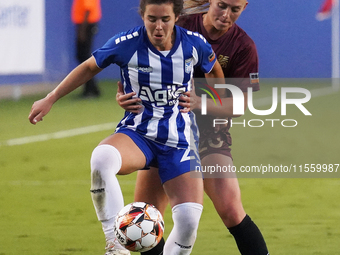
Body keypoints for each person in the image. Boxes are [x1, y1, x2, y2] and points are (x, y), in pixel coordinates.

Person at [28, 0, 225, 255]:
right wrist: (51, 97)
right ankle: (114, 244)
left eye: (165, 19)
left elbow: (216, 73)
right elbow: (89, 67)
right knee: (101, 158)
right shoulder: (127, 43)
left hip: (179, 141)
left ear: (176, 17)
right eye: (151, 19)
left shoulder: (194, 44)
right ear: (142, 16)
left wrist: (203, 100)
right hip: (138, 134)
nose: (158, 27)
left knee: (188, 220)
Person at [116, 0, 270, 255]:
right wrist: (124, 96)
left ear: (245, 7)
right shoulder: (181, 23)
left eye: (235, 9)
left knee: (231, 210)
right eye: (222, 5)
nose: (226, 14)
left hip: (209, 134)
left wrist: (202, 103)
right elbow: (140, 62)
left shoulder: (243, 47)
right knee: (146, 216)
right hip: (165, 130)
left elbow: (240, 105)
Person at [71, 0, 101, 98]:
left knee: (84, 57)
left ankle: (91, 89)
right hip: (85, 24)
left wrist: (82, 30)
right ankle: (91, 88)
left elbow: (88, 9)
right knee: (82, 56)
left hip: (86, 24)